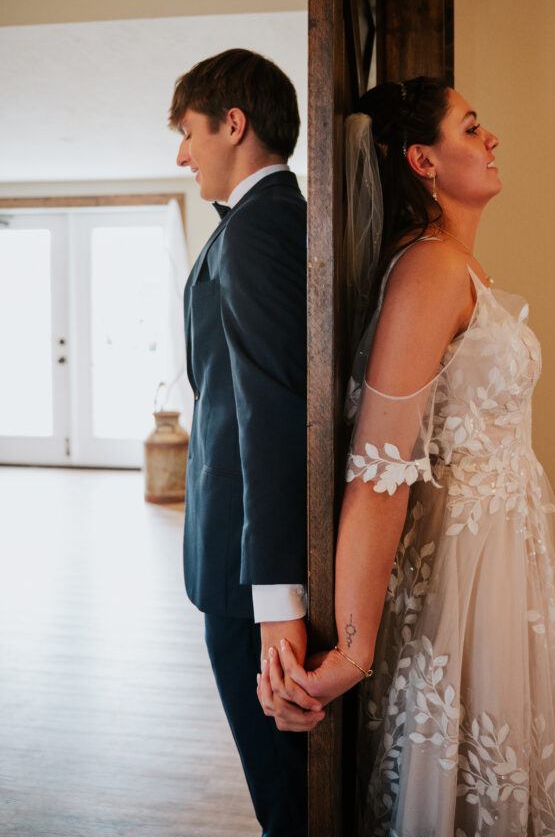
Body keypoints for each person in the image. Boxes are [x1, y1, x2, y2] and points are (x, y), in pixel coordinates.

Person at [259, 78, 555, 835]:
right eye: (472, 127)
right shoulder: (428, 270)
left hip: (507, 557)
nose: (491, 141)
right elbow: (380, 470)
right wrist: (352, 652)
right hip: (465, 568)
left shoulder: (457, 265)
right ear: (421, 159)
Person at [170, 49, 321, 837]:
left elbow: (271, 411)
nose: (181, 153)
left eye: (189, 132)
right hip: (239, 555)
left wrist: (275, 599)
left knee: (285, 796)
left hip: (248, 568)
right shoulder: (266, 223)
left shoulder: (259, 231)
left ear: (235, 124)